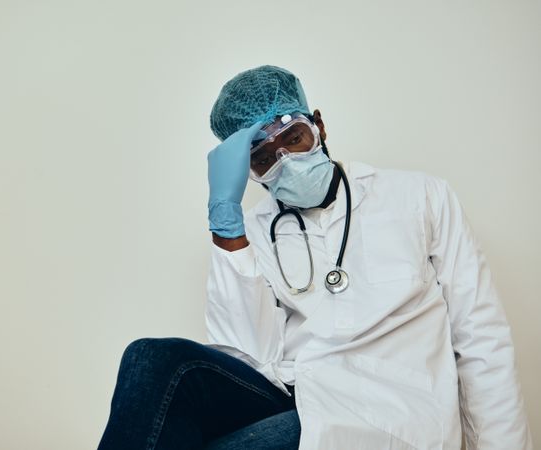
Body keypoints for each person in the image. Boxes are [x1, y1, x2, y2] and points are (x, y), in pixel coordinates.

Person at [97, 65, 532, 450]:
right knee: (151, 358)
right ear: (246, 172)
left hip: (397, 411)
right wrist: (226, 227)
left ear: (319, 125)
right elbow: (251, 360)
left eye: (294, 138)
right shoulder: (250, 232)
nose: (284, 161)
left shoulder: (419, 197)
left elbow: (482, 339)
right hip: (299, 396)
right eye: (263, 159)